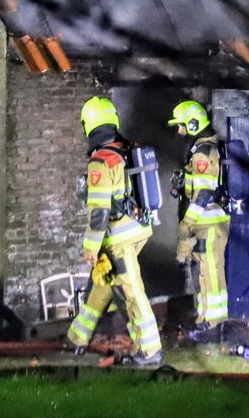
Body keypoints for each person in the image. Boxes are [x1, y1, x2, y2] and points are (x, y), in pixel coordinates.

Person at [64, 96, 164, 366]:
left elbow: (99, 210)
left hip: (117, 239)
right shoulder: (124, 150)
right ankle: (76, 339)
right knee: (103, 286)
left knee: (131, 292)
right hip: (138, 230)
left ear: (90, 125)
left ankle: (150, 350)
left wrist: (90, 248)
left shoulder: (100, 161)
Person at [169, 99, 231, 337]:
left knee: (212, 273)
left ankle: (215, 324)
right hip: (204, 223)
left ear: (192, 123)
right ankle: (205, 318)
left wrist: (187, 222)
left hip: (210, 223)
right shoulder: (198, 150)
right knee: (204, 274)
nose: (179, 130)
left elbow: (204, 192)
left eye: (181, 125)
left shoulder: (203, 152)